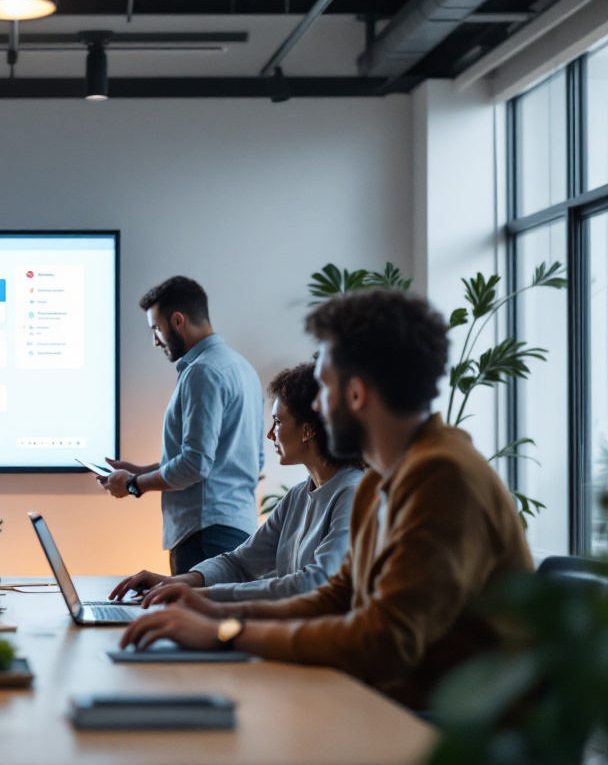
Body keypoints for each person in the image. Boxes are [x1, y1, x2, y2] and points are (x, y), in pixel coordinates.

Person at [119, 289, 534, 710]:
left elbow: (383, 640)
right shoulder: (383, 482)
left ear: (356, 394)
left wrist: (225, 631)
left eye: (324, 388)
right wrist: (208, 610)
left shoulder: (443, 476)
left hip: (450, 729)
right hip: (392, 704)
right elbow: (335, 598)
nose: (316, 405)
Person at [110, 361, 363, 605]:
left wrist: (204, 595)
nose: (270, 434)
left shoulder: (353, 494)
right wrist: (175, 582)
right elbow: (238, 564)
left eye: (278, 421)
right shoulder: (298, 496)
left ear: (308, 431)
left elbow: (314, 583)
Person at [99, 276, 263, 574]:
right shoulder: (243, 369)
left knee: (194, 620)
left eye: (156, 329)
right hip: (235, 530)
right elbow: (238, 460)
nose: (155, 341)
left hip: (204, 537)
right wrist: (138, 471)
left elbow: (196, 465)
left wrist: (133, 485)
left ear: (177, 321)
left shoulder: (203, 372)